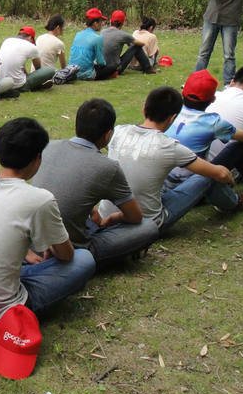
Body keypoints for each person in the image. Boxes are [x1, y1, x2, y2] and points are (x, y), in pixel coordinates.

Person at [0, 118, 96, 325]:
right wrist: (52, 244)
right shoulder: (40, 200)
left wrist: (26, 252)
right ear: (37, 159)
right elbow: (67, 255)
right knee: (84, 259)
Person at [107, 87, 243, 235]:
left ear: (144, 108)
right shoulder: (169, 146)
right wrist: (230, 179)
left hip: (108, 213)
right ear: (173, 118)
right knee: (208, 175)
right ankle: (236, 202)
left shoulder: (118, 131)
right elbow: (220, 174)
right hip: (150, 222)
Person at [32, 99, 159, 270]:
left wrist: (92, 210)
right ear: (108, 135)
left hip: (36, 239)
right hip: (72, 246)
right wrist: (115, 217)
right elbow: (135, 216)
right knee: (148, 226)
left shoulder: (49, 147)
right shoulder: (107, 167)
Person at [164, 70, 243, 193]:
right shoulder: (212, 122)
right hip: (193, 185)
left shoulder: (171, 113)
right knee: (241, 147)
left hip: (164, 183)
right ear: (213, 99)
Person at [0, 26, 55, 91]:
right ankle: (37, 86)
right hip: (18, 85)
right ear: (30, 38)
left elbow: (16, 61)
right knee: (51, 70)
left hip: (2, 81)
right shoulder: (31, 47)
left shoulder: (7, 40)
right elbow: (38, 68)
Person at [101, 10, 155, 75]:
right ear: (122, 23)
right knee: (136, 46)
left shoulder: (103, 31)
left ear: (110, 21)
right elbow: (140, 44)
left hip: (103, 67)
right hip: (115, 69)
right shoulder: (123, 35)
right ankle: (148, 68)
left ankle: (145, 67)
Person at [68, 8, 109, 80]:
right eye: (101, 21)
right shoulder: (97, 38)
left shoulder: (78, 34)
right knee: (112, 67)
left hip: (72, 71)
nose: (102, 24)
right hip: (87, 74)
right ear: (95, 23)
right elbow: (101, 62)